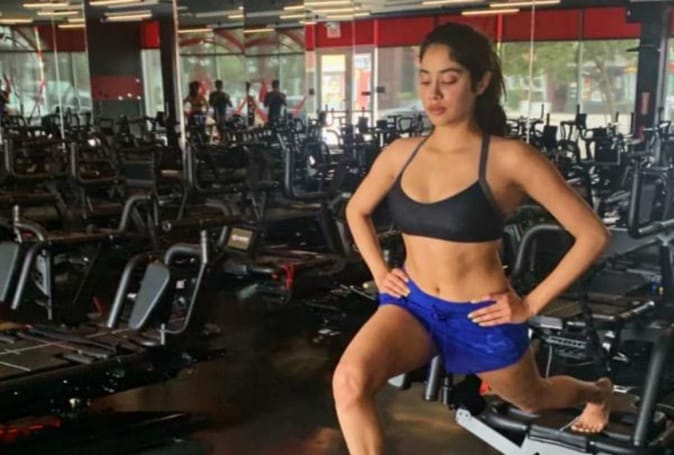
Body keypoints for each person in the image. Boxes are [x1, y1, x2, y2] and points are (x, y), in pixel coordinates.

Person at [333, 21, 612, 454]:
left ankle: (597, 392)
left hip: (481, 316)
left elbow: (592, 235)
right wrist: (381, 272)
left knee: (533, 399)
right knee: (349, 382)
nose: (433, 93)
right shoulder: (401, 153)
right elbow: (356, 210)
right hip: (412, 304)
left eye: (449, 80)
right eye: (425, 79)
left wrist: (529, 305)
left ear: (480, 83)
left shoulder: (510, 158)